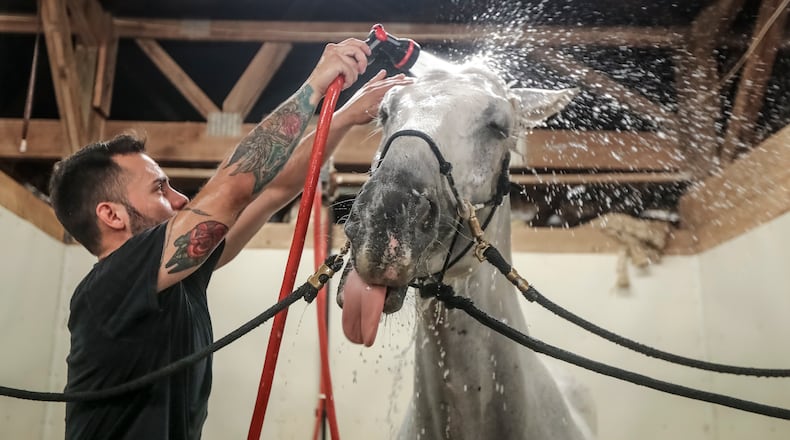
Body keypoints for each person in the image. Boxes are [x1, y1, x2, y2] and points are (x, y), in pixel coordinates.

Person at [48, 37, 412, 440]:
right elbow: (233, 188)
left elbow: (274, 189)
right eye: (159, 189)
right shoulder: (111, 285)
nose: (179, 198)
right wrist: (314, 86)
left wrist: (342, 118)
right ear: (111, 215)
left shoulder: (179, 278)